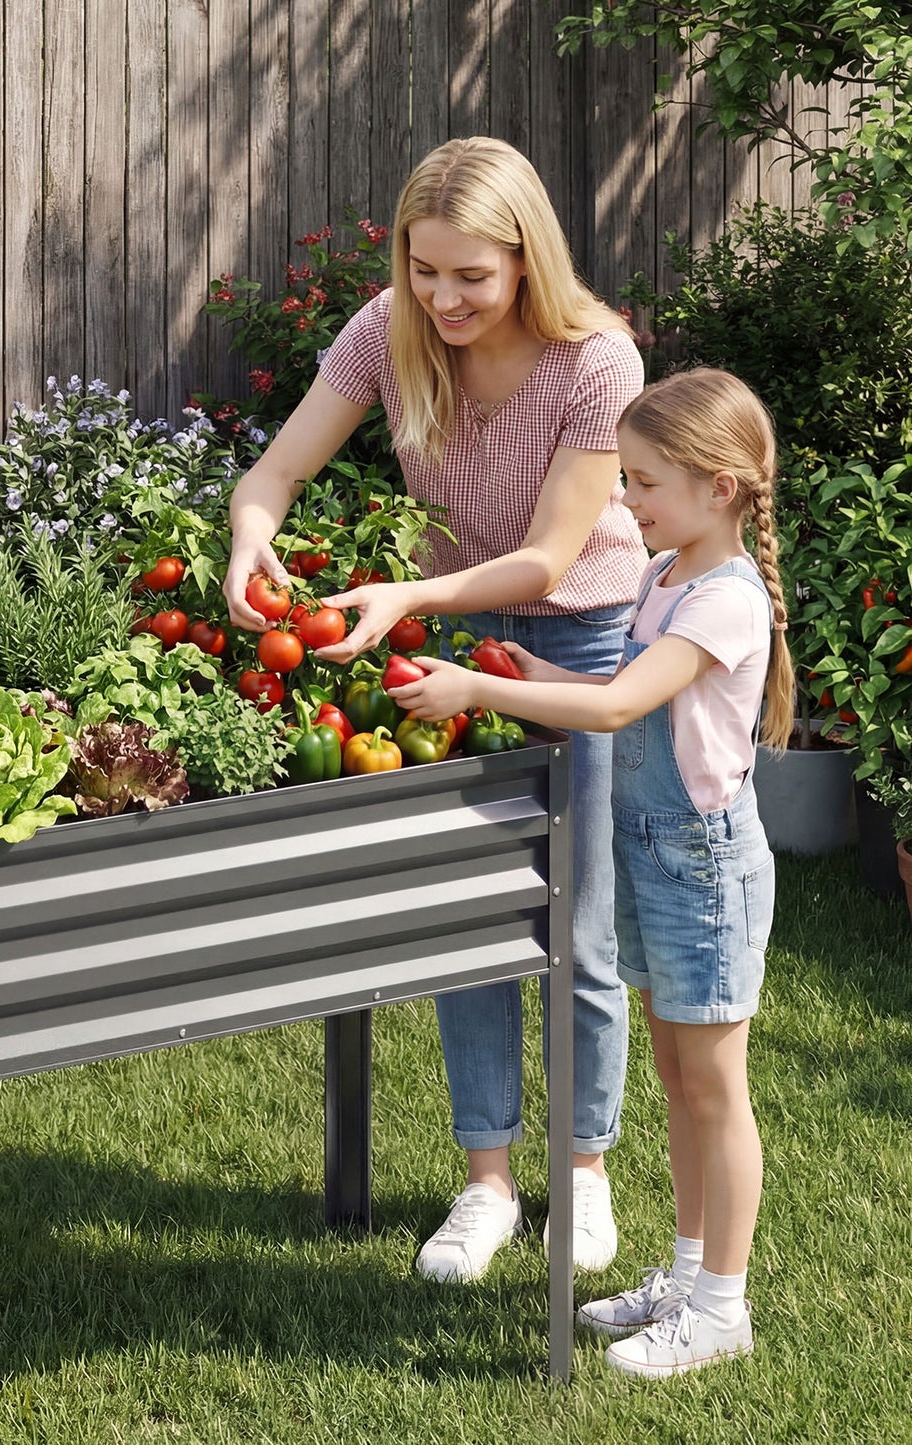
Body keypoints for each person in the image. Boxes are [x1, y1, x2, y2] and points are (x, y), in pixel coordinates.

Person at [223, 136, 645, 1282]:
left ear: (524, 259)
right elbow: (272, 475)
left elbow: (552, 559)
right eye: (424, 269)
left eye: (471, 274)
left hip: (582, 639)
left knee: (577, 921)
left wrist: (407, 589)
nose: (443, 297)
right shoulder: (386, 332)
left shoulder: (594, 359)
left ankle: (585, 1172)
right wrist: (247, 539)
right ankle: (485, 1182)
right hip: (452, 638)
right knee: (472, 916)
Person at [396, 367, 794, 1376]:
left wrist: (474, 684)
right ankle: (687, 1270)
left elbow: (621, 714)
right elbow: (621, 690)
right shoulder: (664, 578)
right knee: (676, 1078)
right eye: (623, 476)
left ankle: (720, 1308)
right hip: (654, 858)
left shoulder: (725, 601)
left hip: (703, 871)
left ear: (719, 488)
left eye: (644, 482)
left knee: (714, 1091)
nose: (624, 500)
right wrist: (540, 676)